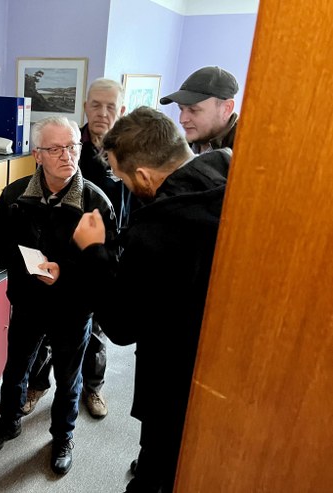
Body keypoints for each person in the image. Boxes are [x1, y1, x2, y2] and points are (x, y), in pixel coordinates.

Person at [73, 106, 230, 493]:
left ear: (143, 175)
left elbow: (121, 325)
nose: (123, 184)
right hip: (220, 363)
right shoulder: (230, 174)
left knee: (157, 469)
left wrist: (94, 251)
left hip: (172, 371)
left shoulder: (159, 230)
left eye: (122, 176)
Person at [0, 116, 115, 475]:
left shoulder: (95, 202)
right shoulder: (14, 196)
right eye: (55, 149)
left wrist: (64, 272)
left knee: (68, 378)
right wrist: (27, 265)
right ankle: (8, 422)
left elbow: (107, 266)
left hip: (73, 308)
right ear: (37, 154)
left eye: (72, 146)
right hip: (28, 301)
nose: (66, 155)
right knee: (16, 368)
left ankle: (62, 437)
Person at [23, 78, 129, 419]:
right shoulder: (67, 140)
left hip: (102, 253)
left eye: (110, 106)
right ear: (85, 106)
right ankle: (38, 384)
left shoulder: (128, 151)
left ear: (121, 110)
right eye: (95, 105)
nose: (102, 112)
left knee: (94, 332)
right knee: (47, 331)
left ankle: (92, 387)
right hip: (58, 251)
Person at [160, 65, 239, 154]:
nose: (182, 120)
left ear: (226, 109)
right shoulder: (179, 149)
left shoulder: (245, 154)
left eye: (193, 110)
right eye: (181, 109)